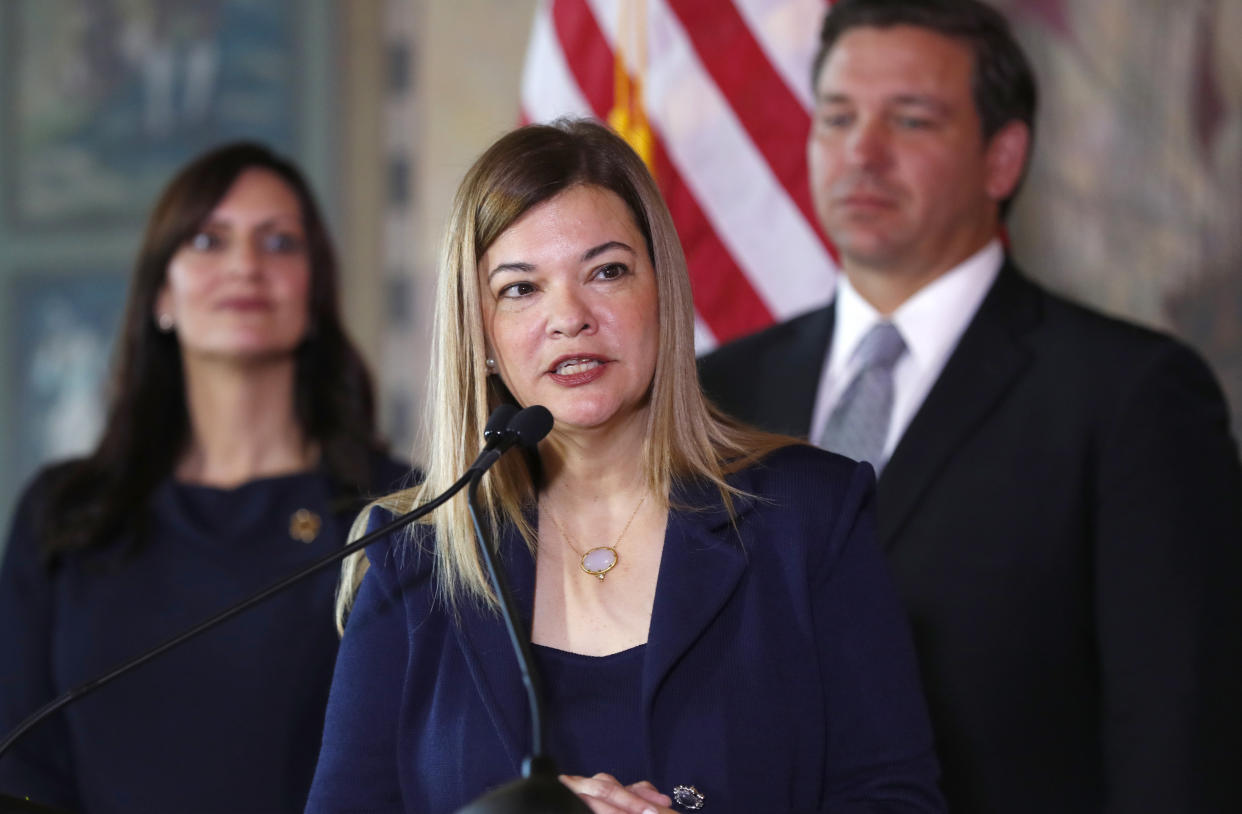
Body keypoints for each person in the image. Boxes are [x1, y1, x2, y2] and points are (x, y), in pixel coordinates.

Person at [306, 119, 945, 814]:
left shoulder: (808, 516)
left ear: (661, 294)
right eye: (521, 289)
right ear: (481, 336)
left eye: (606, 272)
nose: (570, 317)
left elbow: (895, 800)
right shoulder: (411, 556)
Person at [698, 1, 1242, 811]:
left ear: (1003, 158)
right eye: (838, 117)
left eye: (910, 121)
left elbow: (1180, 740)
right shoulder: (718, 393)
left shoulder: (1134, 397)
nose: (862, 153)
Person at [0, 142, 408, 813]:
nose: (246, 266)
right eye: (208, 240)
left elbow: (428, 759)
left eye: (278, 243)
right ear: (163, 293)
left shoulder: (395, 511)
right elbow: (20, 766)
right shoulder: (64, 513)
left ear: (315, 292)